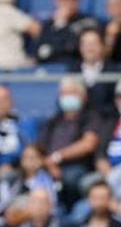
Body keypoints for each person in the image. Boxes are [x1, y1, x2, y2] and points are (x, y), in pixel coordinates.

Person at [37, 78, 103, 208]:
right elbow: (40, 147)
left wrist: (58, 157)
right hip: (49, 165)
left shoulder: (91, 117)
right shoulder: (54, 120)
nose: (67, 97)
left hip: (78, 166)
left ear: (83, 96)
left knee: (71, 178)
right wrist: (49, 163)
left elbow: (88, 144)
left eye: (71, 93)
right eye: (64, 94)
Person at [35, 0, 101, 66]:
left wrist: (62, 28)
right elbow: (40, 54)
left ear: (77, 1)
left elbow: (75, 48)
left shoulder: (88, 21)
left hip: (77, 70)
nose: (64, 3)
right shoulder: (49, 25)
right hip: (50, 71)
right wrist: (59, 25)